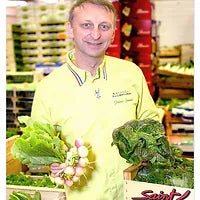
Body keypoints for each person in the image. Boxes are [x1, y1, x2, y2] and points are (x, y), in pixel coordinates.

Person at [31, 0, 159, 199]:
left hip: (133, 193)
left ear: (114, 33)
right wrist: (52, 163)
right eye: (86, 25)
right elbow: (38, 150)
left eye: (104, 26)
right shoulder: (48, 88)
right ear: (71, 29)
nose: (96, 34)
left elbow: (152, 123)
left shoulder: (131, 73)